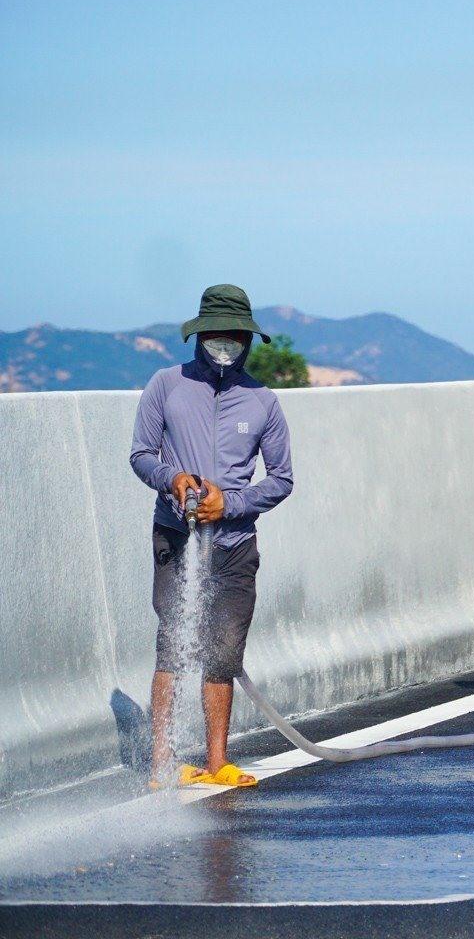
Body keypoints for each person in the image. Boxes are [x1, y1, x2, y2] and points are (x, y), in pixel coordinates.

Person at [129, 285, 293, 789]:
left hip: (234, 547)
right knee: (174, 647)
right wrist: (173, 480)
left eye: (234, 338)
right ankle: (162, 763)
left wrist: (233, 503)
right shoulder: (166, 385)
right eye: (215, 336)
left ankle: (216, 761)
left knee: (223, 653)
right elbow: (141, 454)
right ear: (199, 336)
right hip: (176, 538)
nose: (225, 346)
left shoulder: (263, 402)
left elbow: (282, 478)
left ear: (246, 340)